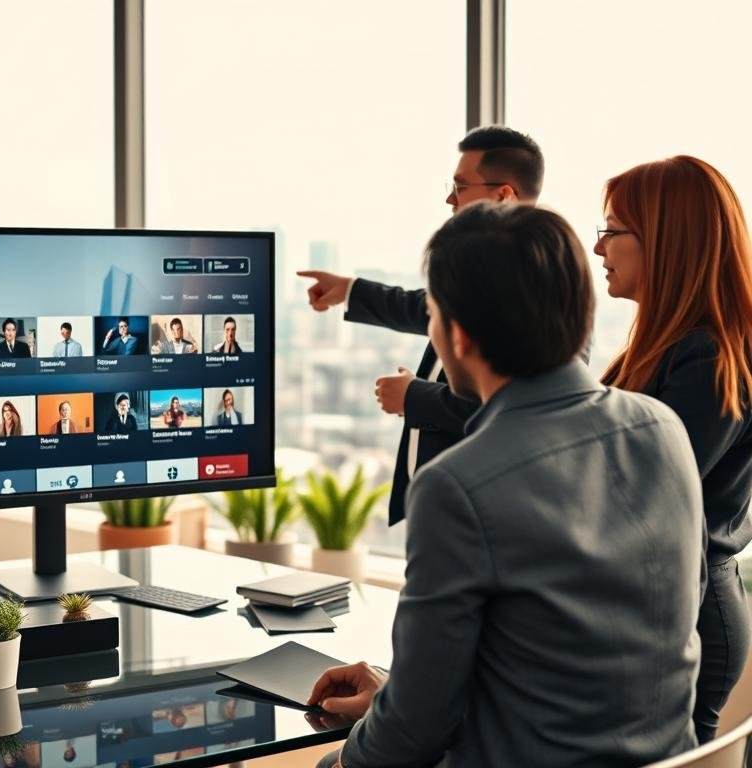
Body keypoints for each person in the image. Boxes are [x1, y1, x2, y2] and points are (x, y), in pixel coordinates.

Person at [308, 203, 704, 768]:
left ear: (459, 338)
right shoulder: (662, 429)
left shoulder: (457, 484)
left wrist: (355, 752)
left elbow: (415, 734)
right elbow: (564, 656)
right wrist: (395, 697)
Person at [297, 125, 545, 525]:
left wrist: (415, 398)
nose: (450, 199)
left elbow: (522, 409)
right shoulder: (494, 268)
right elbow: (429, 308)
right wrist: (350, 290)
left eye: (461, 187)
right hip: (448, 512)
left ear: (502, 196)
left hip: (480, 517)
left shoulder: (541, 285)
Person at [594, 155, 752, 742]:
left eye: (612, 230)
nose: (598, 248)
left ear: (666, 240)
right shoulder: (663, 348)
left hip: (681, 613)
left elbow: (632, 496)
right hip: (662, 606)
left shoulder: (708, 358)